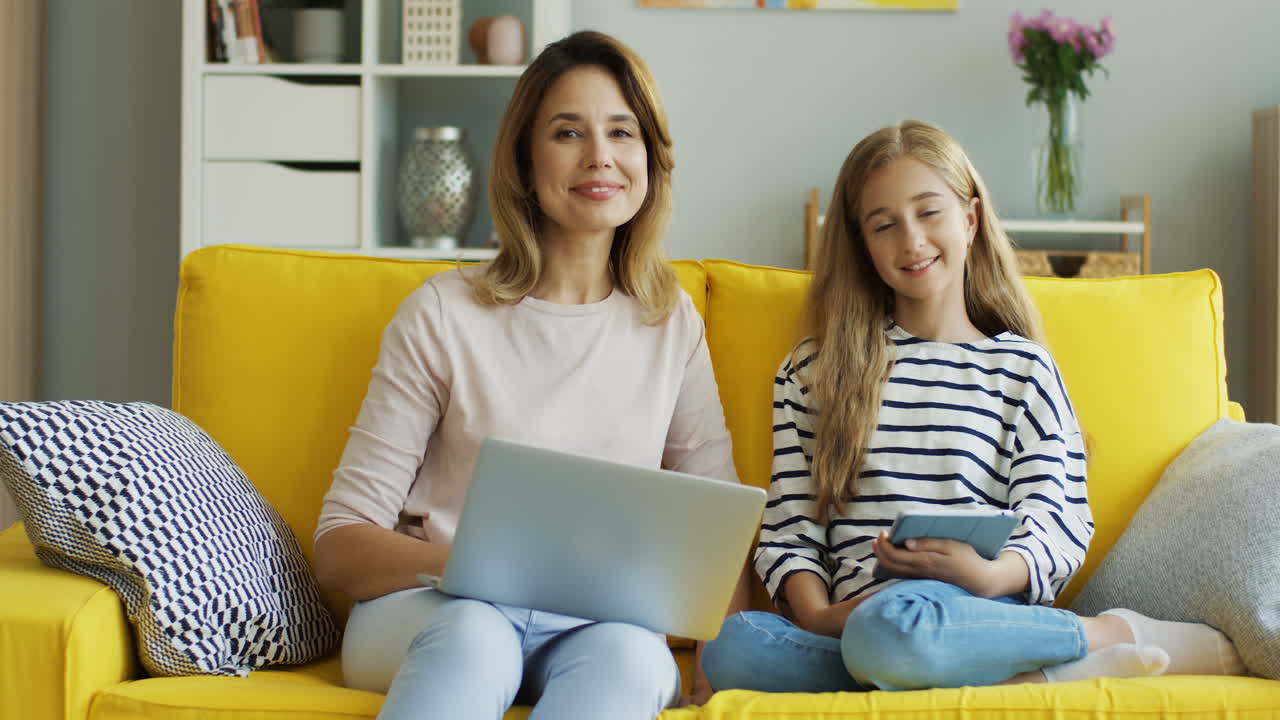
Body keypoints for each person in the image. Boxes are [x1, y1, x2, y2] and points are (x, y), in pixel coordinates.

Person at [702, 120, 1245, 692]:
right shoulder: (813, 371)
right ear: (863, 245)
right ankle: (1017, 671)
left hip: (963, 607)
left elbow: (1055, 516)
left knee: (891, 631)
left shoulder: (1021, 369)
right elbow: (791, 529)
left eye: (929, 212)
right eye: (883, 225)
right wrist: (818, 616)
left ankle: (1105, 634)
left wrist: (989, 577)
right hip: (846, 628)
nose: (910, 240)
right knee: (736, 647)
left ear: (971, 217)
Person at [313, 30, 747, 719]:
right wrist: (476, 567)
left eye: (621, 132)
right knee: (478, 636)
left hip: (592, 628)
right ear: (524, 158)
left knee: (637, 658)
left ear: (650, 158)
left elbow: (717, 531)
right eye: (568, 133)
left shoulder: (671, 323)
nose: (600, 157)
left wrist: (722, 669)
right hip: (438, 609)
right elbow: (338, 546)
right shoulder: (443, 313)